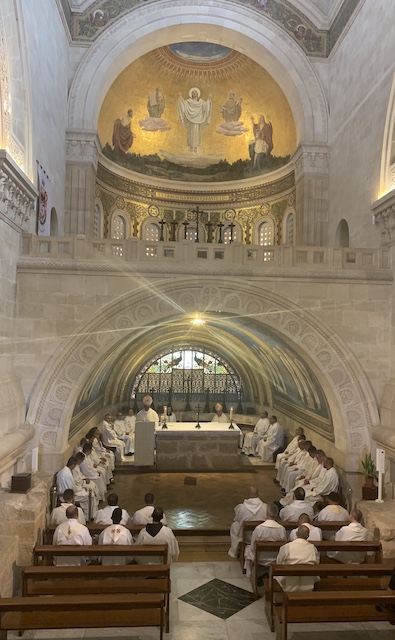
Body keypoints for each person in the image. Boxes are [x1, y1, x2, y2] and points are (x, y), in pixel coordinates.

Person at [244, 503, 286, 578]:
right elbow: (283, 546)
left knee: (248, 549)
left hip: (260, 558)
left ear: (266, 513)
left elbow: (253, 547)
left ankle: (250, 574)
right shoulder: (282, 529)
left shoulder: (259, 529)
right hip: (275, 558)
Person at [275, 525, 320, 591]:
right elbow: (317, 563)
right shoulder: (313, 548)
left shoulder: (286, 547)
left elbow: (279, 563)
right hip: (308, 582)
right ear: (308, 536)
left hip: (289, 580)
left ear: (296, 534)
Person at [228, 486, 268, 558]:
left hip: (246, 535)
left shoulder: (242, 507)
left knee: (235, 525)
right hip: (260, 535)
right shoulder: (265, 507)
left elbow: (237, 519)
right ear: (258, 494)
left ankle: (234, 551)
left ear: (249, 494)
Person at [178, 87, 212, 153]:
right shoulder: (188, 102)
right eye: (193, 92)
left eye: (195, 92)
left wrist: (209, 99)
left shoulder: (201, 102)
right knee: (190, 133)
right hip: (190, 120)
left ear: (198, 94)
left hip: (198, 120)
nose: (194, 93)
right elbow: (183, 104)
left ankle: (195, 147)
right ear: (191, 94)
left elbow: (207, 106)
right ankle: (191, 146)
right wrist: (180, 97)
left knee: (197, 133)